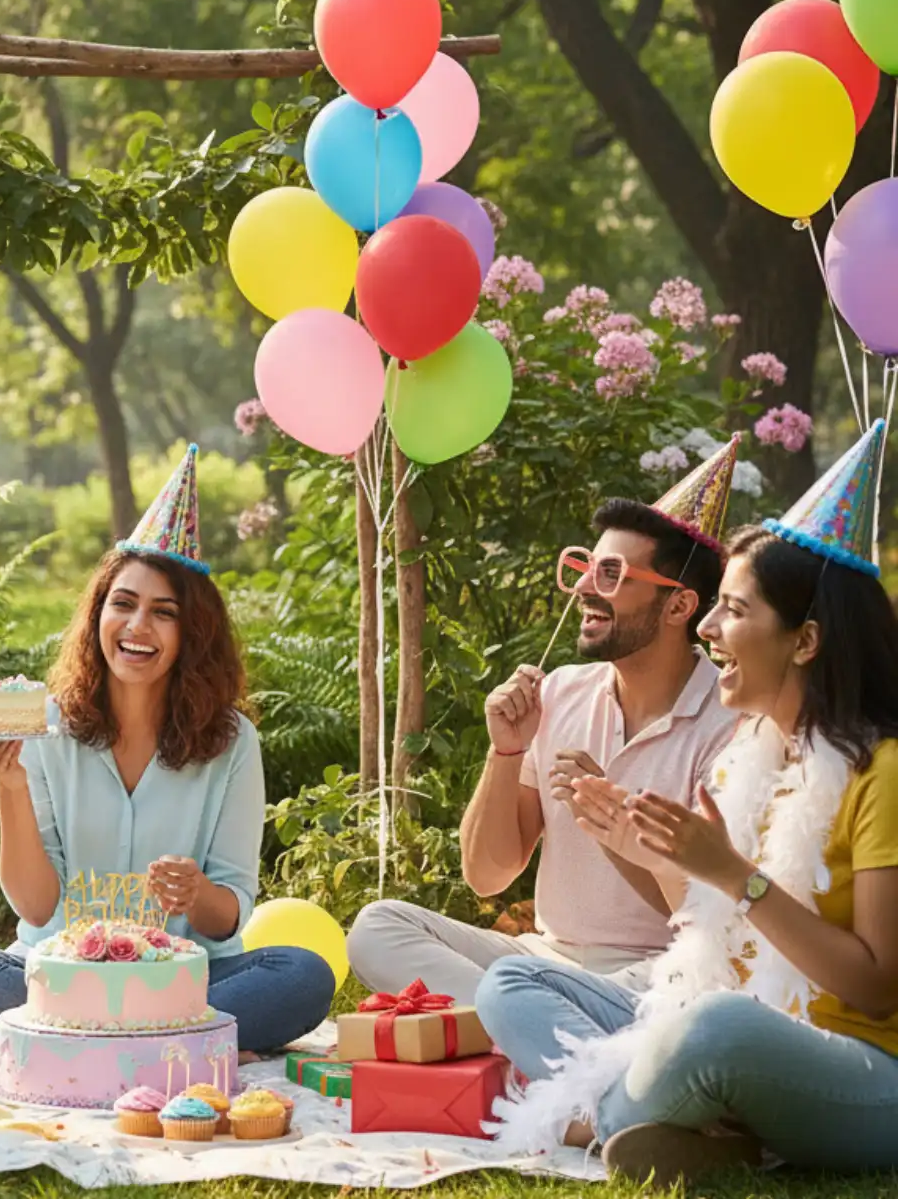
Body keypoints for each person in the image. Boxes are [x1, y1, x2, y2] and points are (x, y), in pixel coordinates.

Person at [480, 422, 898, 1185]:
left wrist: (737, 877)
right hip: (734, 1023)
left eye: (732, 611)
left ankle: (605, 1116)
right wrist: (667, 857)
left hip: (864, 1071)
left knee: (716, 1027)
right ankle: (683, 1125)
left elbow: (872, 983)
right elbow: (707, 949)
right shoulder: (755, 755)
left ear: (804, 641)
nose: (707, 628)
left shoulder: (884, 772)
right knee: (508, 983)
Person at [0, 446, 335, 1053]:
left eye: (163, 613)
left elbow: (230, 918)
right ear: (98, 614)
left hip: (188, 976)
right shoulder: (42, 726)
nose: (137, 626)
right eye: (123, 604)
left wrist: (197, 895)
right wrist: (8, 787)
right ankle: (177, 1044)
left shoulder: (231, 743)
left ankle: (90, 1044)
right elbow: (39, 912)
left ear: (191, 634)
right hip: (65, 973)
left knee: (303, 976)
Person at [349, 440, 742, 1003]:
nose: (583, 587)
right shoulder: (560, 692)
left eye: (611, 574)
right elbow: (487, 877)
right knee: (377, 928)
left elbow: (710, 919)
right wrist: (504, 753)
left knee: (689, 992)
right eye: (585, 566)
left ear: (679, 606)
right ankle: (526, 1018)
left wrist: (613, 830)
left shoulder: (726, 724)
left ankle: (507, 1020)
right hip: (539, 959)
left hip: (653, 971)